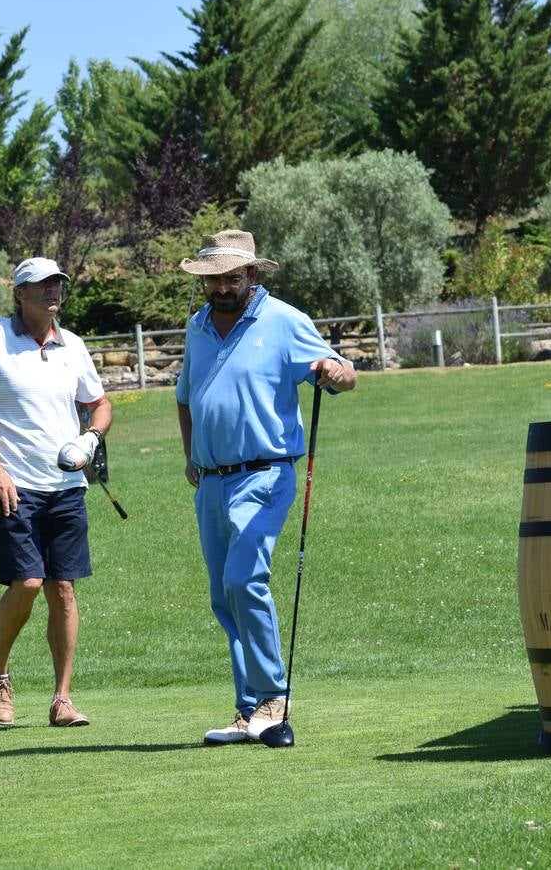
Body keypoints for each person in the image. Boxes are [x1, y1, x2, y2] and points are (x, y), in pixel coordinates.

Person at [175, 229, 356, 745]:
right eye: (212, 279)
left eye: (231, 277)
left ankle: (274, 696)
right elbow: (185, 397)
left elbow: (345, 374)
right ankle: (248, 707)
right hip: (211, 482)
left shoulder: (283, 320)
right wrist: (191, 454)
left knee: (243, 580)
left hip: (266, 474)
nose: (221, 288)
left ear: (252, 275)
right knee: (223, 597)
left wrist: (333, 372)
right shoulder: (197, 327)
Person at [0, 256, 112, 728]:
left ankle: (62, 699)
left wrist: (90, 438)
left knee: (62, 590)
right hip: (14, 486)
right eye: (41, 286)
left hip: (66, 486)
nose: (53, 292)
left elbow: (100, 405)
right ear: (19, 293)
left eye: (57, 284)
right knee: (26, 582)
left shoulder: (73, 346)